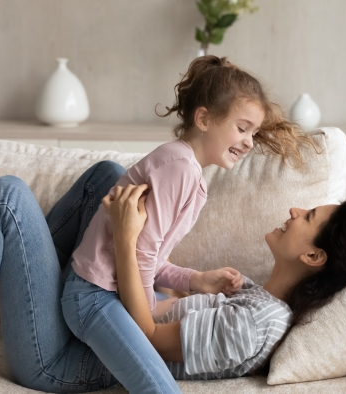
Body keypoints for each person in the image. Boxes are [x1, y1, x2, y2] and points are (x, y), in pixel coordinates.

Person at [0, 164, 346, 392]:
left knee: (6, 197)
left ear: (314, 255)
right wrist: (192, 279)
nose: (295, 211)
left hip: (62, 361)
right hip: (84, 321)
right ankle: (5, 297)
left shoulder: (258, 325)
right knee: (106, 176)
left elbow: (146, 335)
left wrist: (126, 240)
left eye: (309, 217)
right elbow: (157, 289)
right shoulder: (250, 293)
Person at [59, 55, 314, 392]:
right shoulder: (178, 168)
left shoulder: (191, 176)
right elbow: (141, 255)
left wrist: (193, 279)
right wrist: (146, 314)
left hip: (106, 288)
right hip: (95, 292)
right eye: (242, 128)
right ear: (204, 118)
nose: (250, 142)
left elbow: (152, 253)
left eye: (253, 132)